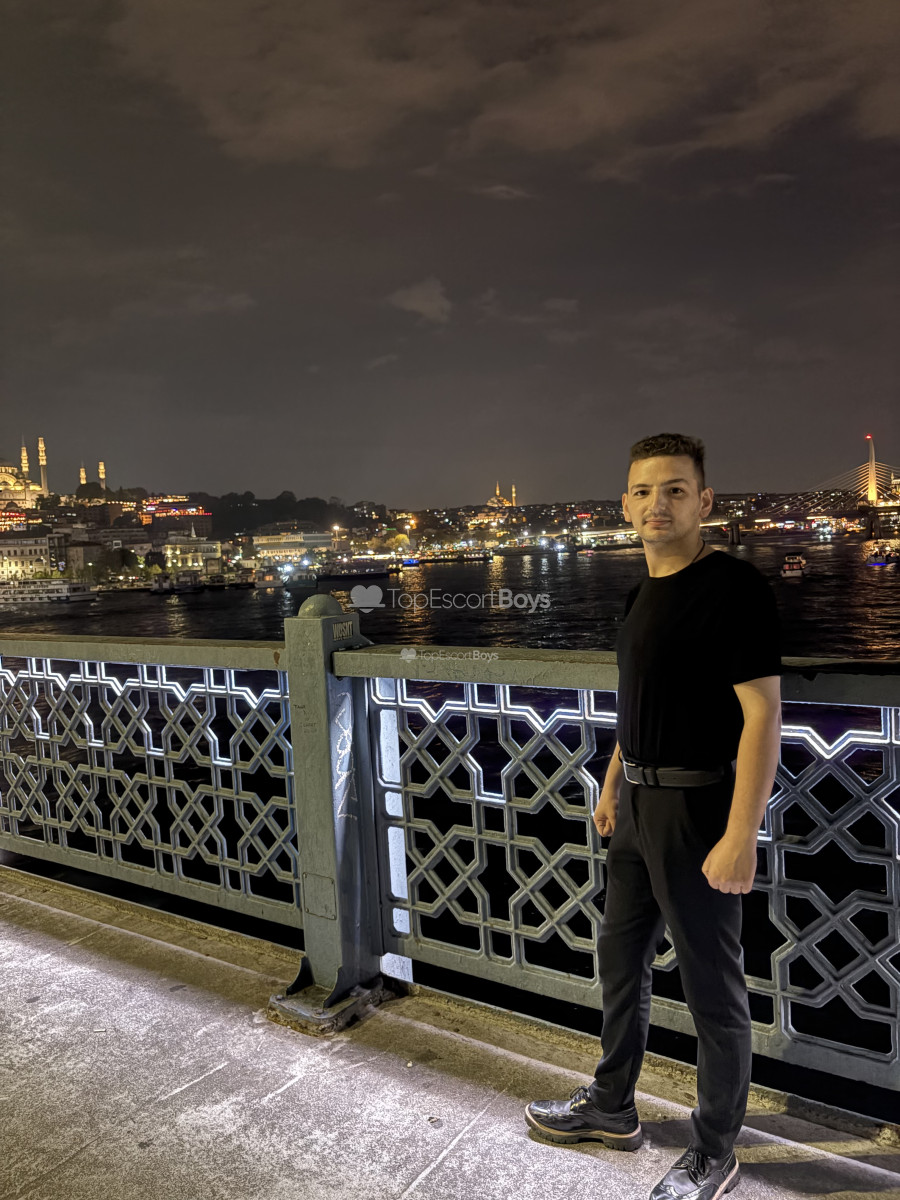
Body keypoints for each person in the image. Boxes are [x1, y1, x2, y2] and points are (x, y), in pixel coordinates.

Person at [525, 434, 782, 1200]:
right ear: (625, 504)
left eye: (674, 489)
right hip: (636, 805)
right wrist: (612, 784)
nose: (656, 504)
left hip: (698, 808)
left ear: (705, 501)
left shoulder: (733, 587)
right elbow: (634, 706)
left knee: (713, 990)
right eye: (642, 491)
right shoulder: (638, 597)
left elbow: (762, 715)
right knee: (620, 963)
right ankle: (612, 1105)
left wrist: (741, 834)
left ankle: (714, 1149)